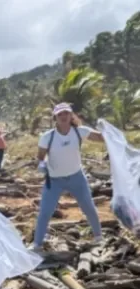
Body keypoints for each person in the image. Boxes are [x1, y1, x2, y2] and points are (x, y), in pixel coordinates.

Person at [32, 103, 105, 252]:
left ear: (71, 115)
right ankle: (37, 245)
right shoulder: (47, 137)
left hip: (76, 178)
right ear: (55, 118)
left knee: (89, 208)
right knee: (45, 212)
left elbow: (101, 138)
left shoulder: (79, 132)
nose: (64, 117)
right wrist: (42, 164)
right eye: (60, 114)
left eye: (66, 113)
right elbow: (40, 157)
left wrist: (108, 130)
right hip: (54, 181)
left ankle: (99, 238)